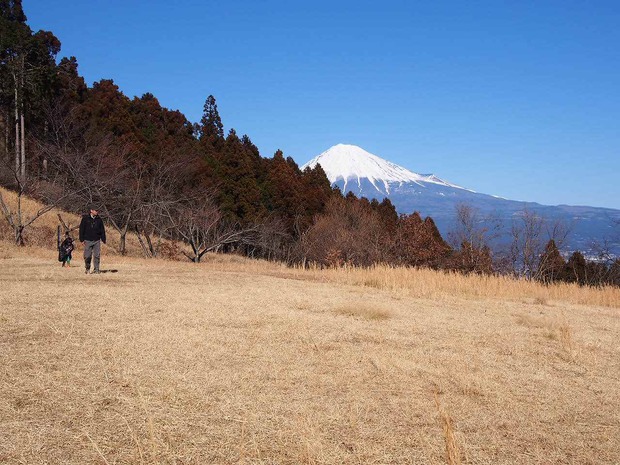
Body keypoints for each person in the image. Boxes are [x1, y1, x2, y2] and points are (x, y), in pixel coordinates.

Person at [79, 205, 106, 274]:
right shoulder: (85, 219)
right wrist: (81, 239)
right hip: (87, 240)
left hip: (97, 240)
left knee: (97, 255)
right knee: (87, 256)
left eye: (97, 211)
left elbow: (102, 230)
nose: (97, 212)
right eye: (95, 210)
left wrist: (103, 239)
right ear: (91, 211)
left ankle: (96, 269)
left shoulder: (99, 220)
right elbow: (81, 229)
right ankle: (87, 268)